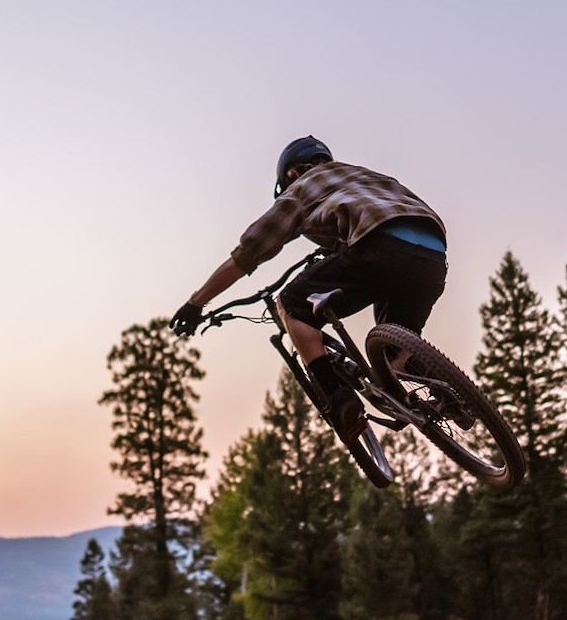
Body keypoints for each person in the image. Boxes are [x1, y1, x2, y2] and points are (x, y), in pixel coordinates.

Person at [171, 136, 447, 439]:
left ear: (291, 174)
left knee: (292, 305)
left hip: (381, 245)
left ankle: (340, 399)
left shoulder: (302, 188)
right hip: (432, 254)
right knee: (395, 350)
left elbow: (246, 255)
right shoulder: (362, 175)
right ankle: (452, 395)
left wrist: (196, 303)